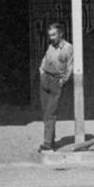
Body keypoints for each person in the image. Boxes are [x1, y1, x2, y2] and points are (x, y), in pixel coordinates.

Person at [37, 22, 73, 152]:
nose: (51, 37)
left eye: (54, 34)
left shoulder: (68, 48)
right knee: (45, 112)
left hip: (56, 81)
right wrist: (41, 71)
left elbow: (70, 67)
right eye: (49, 35)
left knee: (51, 113)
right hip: (45, 78)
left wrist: (63, 81)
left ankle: (47, 143)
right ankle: (50, 141)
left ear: (61, 34)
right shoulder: (50, 46)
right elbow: (45, 59)